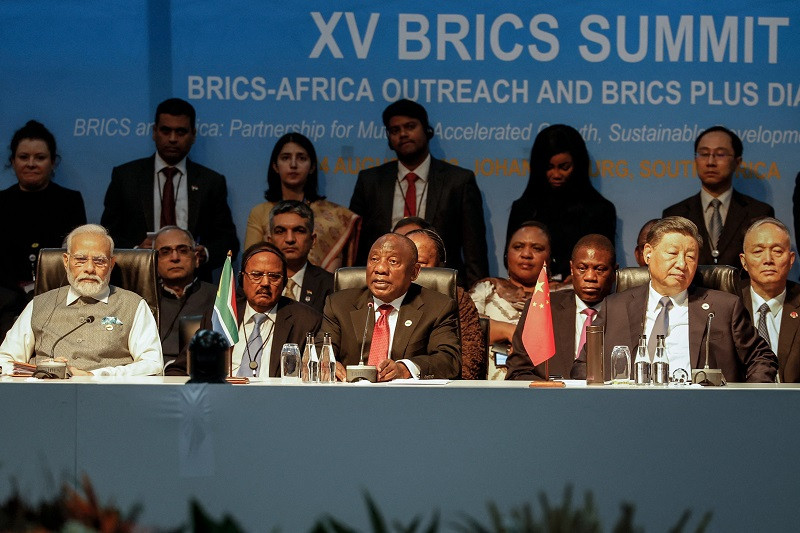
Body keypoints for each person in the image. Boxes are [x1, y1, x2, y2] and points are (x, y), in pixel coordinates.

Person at [571, 216, 777, 383]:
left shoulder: (724, 307)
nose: (681, 264)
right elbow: (583, 366)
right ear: (648, 254)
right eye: (672, 253)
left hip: (703, 413)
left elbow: (762, 359)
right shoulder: (614, 307)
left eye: (690, 257)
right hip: (629, 411)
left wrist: (745, 402)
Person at [349, 99, 489, 287]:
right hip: (382, 284)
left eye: (410, 126)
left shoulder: (458, 181)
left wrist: (478, 296)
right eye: (395, 130)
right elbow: (356, 248)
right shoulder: (370, 181)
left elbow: (475, 252)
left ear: (427, 130)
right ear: (389, 138)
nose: (403, 134)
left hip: (442, 286)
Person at [0, 224, 163, 376]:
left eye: (99, 261)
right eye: (80, 260)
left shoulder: (133, 305)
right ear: (66, 261)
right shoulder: (39, 305)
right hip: (46, 396)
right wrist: (44, 371)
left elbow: (153, 364)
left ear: (111, 264)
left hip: (107, 397)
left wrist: (96, 375)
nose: (90, 268)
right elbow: (4, 359)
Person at [101, 98, 239, 276]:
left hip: (194, 284)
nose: (173, 139)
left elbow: (228, 241)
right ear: (154, 132)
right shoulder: (126, 176)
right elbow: (107, 236)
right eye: (166, 131)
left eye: (181, 132)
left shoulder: (210, 181)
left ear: (193, 135)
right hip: (136, 280)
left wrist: (203, 254)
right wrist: (136, 251)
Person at [166, 242, 321, 378]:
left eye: (274, 276)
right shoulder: (221, 315)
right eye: (256, 275)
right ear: (242, 279)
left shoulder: (306, 321)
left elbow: (317, 374)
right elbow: (179, 369)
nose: (265, 283)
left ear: (284, 282)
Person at [322, 233, 460, 381]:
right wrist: (326, 363)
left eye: (393, 261)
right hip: (349, 397)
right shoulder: (339, 304)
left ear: (414, 272)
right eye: (374, 259)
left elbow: (449, 360)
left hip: (407, 399)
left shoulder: (438, 307)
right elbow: (319, 349)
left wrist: (405, 369)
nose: (380, 269)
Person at [507, 124, 615, 281]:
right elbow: (509, 259)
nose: (556, 174)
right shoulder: (523, 209)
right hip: (530, 296)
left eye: (564, 167)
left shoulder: (600, 210)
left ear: (578, 166)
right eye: (549, 167)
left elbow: (605, 262)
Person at [506, 234, 617, 380]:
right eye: (582, 268)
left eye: (600, 269)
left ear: (614, 272)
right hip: (550, 400)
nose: (590, 277)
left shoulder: (626, 312)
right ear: (571, 268)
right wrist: (552, 394)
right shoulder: (543, 309)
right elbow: (517, 372)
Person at [245, 132, 360, 271]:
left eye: (301, 158)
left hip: (320, 289)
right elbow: (251, 262)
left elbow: (333, 274)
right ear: (275, 166)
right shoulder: (260, 212)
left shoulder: (335, 215)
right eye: (286, 158)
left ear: (312, 167)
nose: (293, 164)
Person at [663, 125, 773, 267]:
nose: (710, 162)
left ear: (737, 162)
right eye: (703, 154)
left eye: (720, 154)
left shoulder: (759, 212)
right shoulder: (675, 214)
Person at [0, 120, 86, 294]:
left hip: (56, 297)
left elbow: (77, 259)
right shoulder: (1, 201)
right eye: (23, 157)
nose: (31, 163)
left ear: (53, 162)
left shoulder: (70, 201)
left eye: (40, 157)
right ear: (13, 161)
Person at [470, 221, 551, 380]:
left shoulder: (562, 295)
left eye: (537, 248)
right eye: (518, 247)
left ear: (551, 257)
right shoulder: (486, 289)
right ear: (507, 254)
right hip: (489, 386)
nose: (526, 254)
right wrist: (510, 331)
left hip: (546, 385)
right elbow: (465, 327)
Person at [406, 228, 486, 379]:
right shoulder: (383, 296)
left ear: (440, 267)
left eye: (420, 263)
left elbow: (470, 359)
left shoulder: (456, 298)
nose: (412, 269)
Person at [739, 217, 800, 382]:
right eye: (758, 251)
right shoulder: (729, 306)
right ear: (744, 262)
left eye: (777, 251)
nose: (768, 260)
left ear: (791, 259)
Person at [153, 226, 216, 366]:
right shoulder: (144, 299)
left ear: (197, 259)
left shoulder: (218, 297)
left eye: (183, 250)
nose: (175, 258)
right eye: (165, 252)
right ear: (154, 261)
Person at [268, 200, 333, 313]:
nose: (289, 239)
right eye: (280, 231)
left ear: (312, 240)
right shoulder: (254, 284)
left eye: (299, 231)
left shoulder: (330, 285)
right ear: (270, 241)